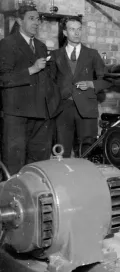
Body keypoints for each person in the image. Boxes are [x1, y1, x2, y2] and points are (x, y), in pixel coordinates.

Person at [0, 5, 60, 175]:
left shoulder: (40, 46)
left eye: (38, 19)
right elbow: (3, 78)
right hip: (17, 116)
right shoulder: (7, 44)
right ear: (20, 21)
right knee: (14, 163)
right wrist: (31, 69)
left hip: (41, 115)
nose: (36, 23)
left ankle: (35, 196)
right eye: (31, 18)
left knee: (39, 165)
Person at [50, 16, 112, 158]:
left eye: (79, 29)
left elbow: (108, 80)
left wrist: (91, 84)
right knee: (61, 150)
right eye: (72, 29)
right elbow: (49, 83)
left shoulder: (92, 54)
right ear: (65, 33)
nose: (77, 33)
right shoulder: (55, 55)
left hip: (86, 108)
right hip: (62, 109)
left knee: (87, 150)